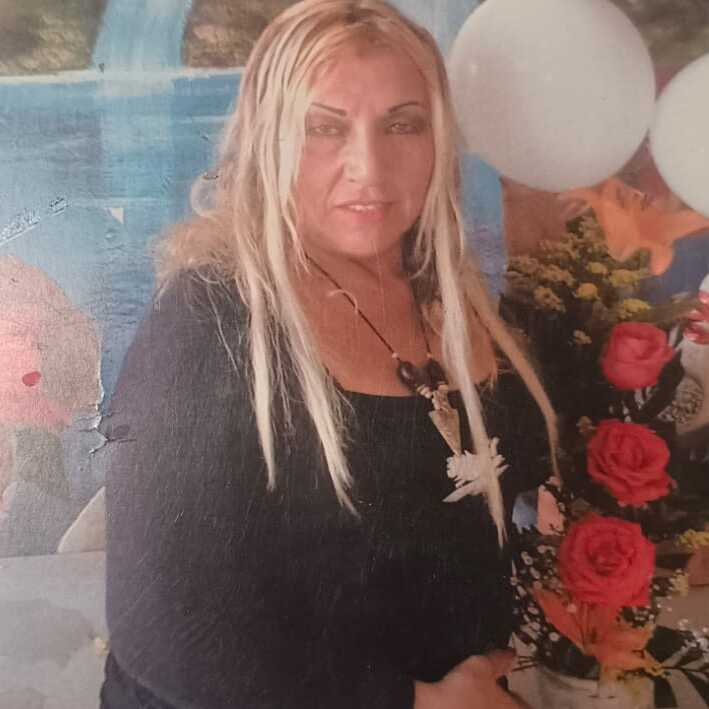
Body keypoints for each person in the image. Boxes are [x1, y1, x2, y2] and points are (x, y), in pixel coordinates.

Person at [99, 1, 558, 707]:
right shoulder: (209, 321)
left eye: (402, 124)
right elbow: (167, 631)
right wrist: (417, 702)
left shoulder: (444, 295)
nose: (368, 168)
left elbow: (510, 471)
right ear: (267, 141)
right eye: (323, 127)